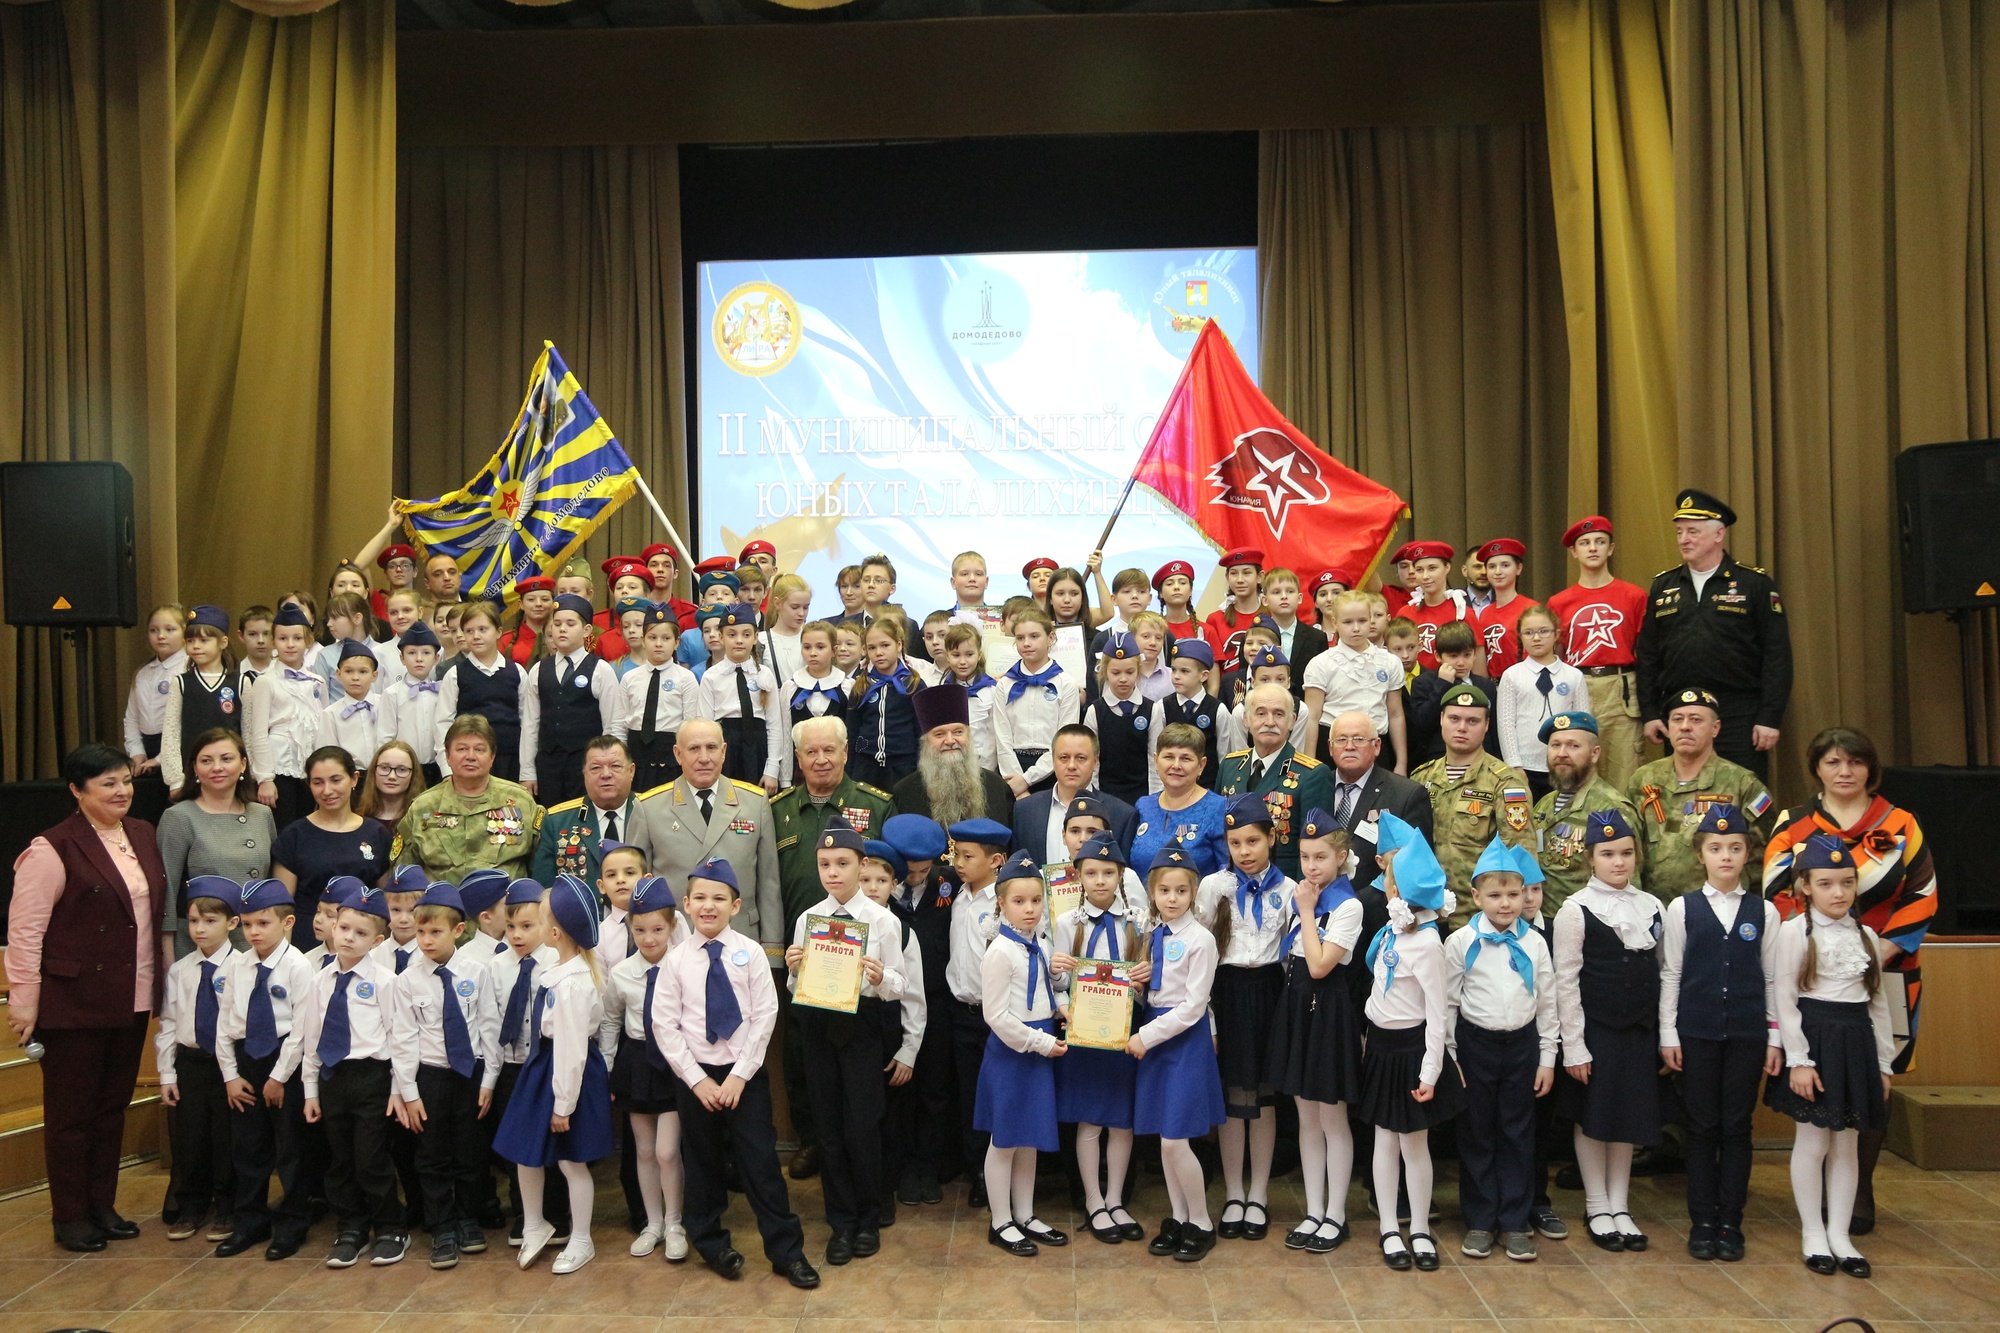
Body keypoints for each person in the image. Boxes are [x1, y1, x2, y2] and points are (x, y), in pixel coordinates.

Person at [1763, 726, 1936, 1234]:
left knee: (1875, 1080)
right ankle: (1819, 1195)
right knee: (1821, 1076)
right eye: (1833, 762)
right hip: (1811, 975)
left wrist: (1874, 953)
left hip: (1886, 968)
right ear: (1816, 768)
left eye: (1855, 762)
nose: (1845, 772)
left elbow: (1924, 892)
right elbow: (1775, 891)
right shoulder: (1793, 823)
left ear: (1870, 768)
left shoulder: (1901, 822)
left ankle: (1860, 1189)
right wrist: (1818, 946)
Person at [650, 856, 820, 1290]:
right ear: (687, 904)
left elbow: (765, 1015)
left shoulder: (751, 954)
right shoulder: (675, 961)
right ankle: (711, 1244)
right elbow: (664, 1025)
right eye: (701, 898)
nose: (709, 906)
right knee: (702, 1162)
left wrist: (741, 1075)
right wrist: (697, 1080)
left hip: (744, 1076)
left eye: (719, 898)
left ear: (736, 905)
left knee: (760, 1162)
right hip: (697, 1078)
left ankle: (787, 1252)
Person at [767, 714, 897, 1174]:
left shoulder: (876, 805)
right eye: (811, 752)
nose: (820, 759)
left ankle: (862, 1152)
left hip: (862, 961)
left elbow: (890, 876)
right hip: (803, 955)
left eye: (829, 750)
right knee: (803, 1055)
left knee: (859, 1068)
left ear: (845, 752)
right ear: (797, 758)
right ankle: (813, 1141)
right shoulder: (777, 809)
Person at [1764, 834, 1895, 1280]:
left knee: (1847, 1143)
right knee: (1814, 1141)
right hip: (1816, 1043)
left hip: (1856, 1045)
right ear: (1805, 886)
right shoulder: (1794, 933)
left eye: (1846, 882)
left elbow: (1878, 1005)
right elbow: (1785, 1000)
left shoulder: (1867, 936)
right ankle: (1813, 1233)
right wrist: (1799, 1060)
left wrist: (1883, 1063)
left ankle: (1841, 1234)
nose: (1838, 893)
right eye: (1825, 884)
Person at [1659, 805, 1783, 1264]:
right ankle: (1702, 1221)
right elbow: (1672, 973)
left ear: (1748, 854)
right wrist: (1669, 1033)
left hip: (1747, 1033)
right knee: (1701, 1126)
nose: (1725, 856)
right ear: (1701, 855)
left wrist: (1774, 1037)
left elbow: (1772, 978)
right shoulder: (1683, 908)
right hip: (1696, 1032)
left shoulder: (1764, 911)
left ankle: (1731, 1219)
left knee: (1736, 1125)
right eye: (1715, 848)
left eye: (1734, 848)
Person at [785, 814, 907, 1264]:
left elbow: (900, 985)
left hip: (862, 1027)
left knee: (862, 1126)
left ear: (862, 865)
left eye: (842, 863)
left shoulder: (882, 921)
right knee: (829, 1128)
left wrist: (879, 976)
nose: (833, 872)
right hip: (818, 1025)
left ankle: (868, 1218)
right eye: (825, 864)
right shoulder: (809, 919)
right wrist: (794, 971)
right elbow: (796, 989)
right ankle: (840, 1222)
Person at [1356, 814, 1465, 1272]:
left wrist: (1430, 1071)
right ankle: (1388, 1225)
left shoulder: (1428, 944)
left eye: (1390, 880)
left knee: (1413, 1144)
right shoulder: (1391, 930)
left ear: (1401, 888)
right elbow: (1379, 991)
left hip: (1412, 1053)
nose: (1385, 885)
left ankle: (1419, 1227)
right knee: (1383, 1140)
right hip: (1381, 1048)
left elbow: (1438, 1014)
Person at [1553, 809, 1663, 1254]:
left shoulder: (1652, 906)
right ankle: (1596, 1204)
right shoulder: (1576, 910)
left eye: (1626, 853)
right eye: (1608, 854)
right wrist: (1574, 1047)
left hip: (1638, 1030)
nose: (1618, 862)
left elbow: (1663, 970)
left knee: (1628, 1119)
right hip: (1596, 1031)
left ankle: (1620, 1204)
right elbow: (1565, 981)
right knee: (1594, 1117)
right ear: (1591, 858)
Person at [1444, 841, 1558, 1264]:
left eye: (1513, 893)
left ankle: (1514, 1221)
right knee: (1477, 1132)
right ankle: (1479, 1220)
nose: (1506, 903)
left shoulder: (1536, 943)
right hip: (1476, 1045)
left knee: (1517, 1133)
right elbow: (1448, 1003)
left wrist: (1547, 1058)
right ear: (1476, 896)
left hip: (1522, 1046)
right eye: (1495, 894)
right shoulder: (1460, 942)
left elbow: (1548, 1003)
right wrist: (1451, 1056)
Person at [494, 874, 612, 1275]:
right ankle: (534, 1224)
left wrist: (564, 1104)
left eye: (541, 920)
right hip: (542, 1065)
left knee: (571, 1160)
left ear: (556, 932)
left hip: (564, 1073)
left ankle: (581, 1239)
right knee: (525, 1152)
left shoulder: (574, 983)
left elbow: (572, 1049)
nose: (538, 927)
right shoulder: (559, 972)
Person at [1635, 488, 1794, 780]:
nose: (1684, 539)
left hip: (1738, 713)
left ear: (1719, 534)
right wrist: (1650, 713)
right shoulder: (1664, 586)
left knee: (1742, 793)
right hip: (1681, 710)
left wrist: (1769, 717)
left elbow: (1777, 656)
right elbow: (1648, 655)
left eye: (1693, 531)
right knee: (1683, 795)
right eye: (1680, 532)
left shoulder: (1754, 584)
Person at [388, 882, 502, 1271]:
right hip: (430, 1078)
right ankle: (442, 1227)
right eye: (421, 932)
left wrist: (489, 1081)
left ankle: (468, 1219)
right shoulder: (408, 980)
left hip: (469, 1074)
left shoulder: (476, 972)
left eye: (435, 932)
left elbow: (488, 1027)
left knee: (470, 1152)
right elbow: (403, 1039)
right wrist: (409, 1091)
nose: (426, 940)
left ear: (458, 930)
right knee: (431, 1155)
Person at [1196, 792, 1293, 1244]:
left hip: (1270, 992)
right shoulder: (1214, 887)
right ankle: (1234, 1191)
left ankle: (1259, 1193)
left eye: (1253, 841)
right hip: (1228, 992)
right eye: (1235, 843)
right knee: (1234, 1097)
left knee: (1265, 1098)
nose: (1244, 851)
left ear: (1271, 838)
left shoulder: (1290, 890)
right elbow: (1200, 952)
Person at [1269, 809, 1364, 1254]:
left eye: (1320, 857)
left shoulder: (1347, 904)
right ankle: (1313, 1209)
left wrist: (1306, 911)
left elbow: (1322, 964)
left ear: (1340, 857)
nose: (1311, 866)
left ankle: (1336, 1214)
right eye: (1305, 857)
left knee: (1331, 1117)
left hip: (1329, 1012)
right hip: (1297, 1007)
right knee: (1305, 1116)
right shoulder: (1304, 895)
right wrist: (1303, 906)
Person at [296, 884, 405, 1269]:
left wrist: (397, 1089)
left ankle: (390, 1227)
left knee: (371, 1158)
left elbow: (396, 1037)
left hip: (371, 1078)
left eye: (360, 933)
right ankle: (351, 1227)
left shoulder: (385, 981)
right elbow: (312, 1038)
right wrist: (310, 1092)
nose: (348, 937)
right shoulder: (319, 980)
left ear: (377, 941)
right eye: (343, 928)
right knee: (340, 1159)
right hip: (333, 1078)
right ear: (332, 927)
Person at [1130, 845, 1227, 1263]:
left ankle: (1201, 1221)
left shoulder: (1200, 939)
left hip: (1183, 1041)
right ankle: (1179, 1216)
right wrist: (1136, 986)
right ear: (1153, 893)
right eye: (1165, 891)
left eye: (1181, 891)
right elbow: (1156, 993)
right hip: (1157, 1035)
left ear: (1193, 893)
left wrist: (1146, 1036)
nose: (1172, 898)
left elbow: (1192, 1006)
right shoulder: (1154, 934)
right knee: (1163, 1137)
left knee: (1175, 1139)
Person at [970, 851, 1069, 1258]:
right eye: (1019, 901)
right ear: (1002, 903)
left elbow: (1047, 990)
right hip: (1013, 1053)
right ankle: (1000, 1221)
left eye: (1035, 900)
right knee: (1005, 1139)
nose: (1029, 909)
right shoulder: (1000, 952)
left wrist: (1062, 1005)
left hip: (1040, 1047)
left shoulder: (1040, 943)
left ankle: (1025, 1214)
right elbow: (996, 1016)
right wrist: (1041, 1042)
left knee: (1029, 1137)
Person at [1047, 834, 1144, 1245]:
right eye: (1091, 873)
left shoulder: (1138, 920)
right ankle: (1093, 1200)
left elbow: (1148, 979)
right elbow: (1057, 983)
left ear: (1120, 875)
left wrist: (1143, 982)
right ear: (1079, 877)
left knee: (1121, 1120)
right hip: (1084, 1034)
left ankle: (1116, 1199)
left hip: (1124, 1032)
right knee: (1088, 1119)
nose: (1100, 880)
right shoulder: (1067, 923)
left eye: (1108, 872)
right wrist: (1058, 980)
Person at [213, 877, 315, 1260]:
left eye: (263, 923)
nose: (254, 931)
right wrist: (230, 1075)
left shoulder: (298, 966)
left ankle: (292, 1225)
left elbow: (302, 1029)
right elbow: (225, 1024)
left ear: (287, 923)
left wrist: (278, 1077)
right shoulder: (237, 965)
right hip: (246, 1062)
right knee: (248, 1147)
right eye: (247, 923)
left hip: (284, 1061)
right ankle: (250, 1222)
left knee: (290, 1149)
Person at [600, 873, 689, 1262]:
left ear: (672, 927)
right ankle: (652, 1223)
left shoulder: (684, 966)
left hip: (672, 1061)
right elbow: (610, 1021)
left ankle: (675, 1222)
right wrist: (606, 1069)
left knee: (668, 1151)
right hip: (636, 1062)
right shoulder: (622, 973)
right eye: (639, 930)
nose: (649, 938)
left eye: (657, 930)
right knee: (645, 1150)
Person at [634, 718, 784, 950]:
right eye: (694, 748)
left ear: (723, 752)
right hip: (675, 943)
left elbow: (769, 883)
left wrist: (772, 951)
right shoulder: (649, 808)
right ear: (677, 754)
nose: (704, 758)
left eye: (711, 747)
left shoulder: (755, 802)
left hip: (741, 941)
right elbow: (639, 888)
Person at [1629, 687, 1775, 901]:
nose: (1685, 726)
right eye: (1677, 719)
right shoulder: (1643, 780)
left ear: (1715, 728)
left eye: (1696, 720)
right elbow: (1628, 845)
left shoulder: (1742, 783)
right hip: (1652, 907)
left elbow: (1766, 854)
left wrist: (1749, 905)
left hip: (1718, 907)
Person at [156, 878, 239, 1243]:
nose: (199, 929)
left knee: (226, 1138)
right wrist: (166, 1073)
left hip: (226, 1065)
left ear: (232, 923)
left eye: (209, 921)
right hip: (190, 1063)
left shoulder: (241, 967)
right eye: (193, 921)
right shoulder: (181, 970)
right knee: (190, 1139)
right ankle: (191, 1206)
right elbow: (169, 1023)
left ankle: (227, 1206)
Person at [1410, 684, 1533, 918]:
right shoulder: (1421, 778)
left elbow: (1519, 855)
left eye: (1473, 721)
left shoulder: (1505, 782)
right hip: (1425, 913)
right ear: (1441, 720)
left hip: (1478, 916)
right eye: (1454, 719)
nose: (1462, 728)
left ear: (1486, 725)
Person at [1547, 515, 1649, 787]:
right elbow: (1554, 655)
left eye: (1600, 542)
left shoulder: (1634, 596)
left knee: (1625, 773)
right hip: (1578, 685)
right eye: (1585, 543)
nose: (1592, 548)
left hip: (1621, 689)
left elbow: (1647, 653)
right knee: (1576, 770)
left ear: (1611, 548)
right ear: (1574, 551)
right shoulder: (1559, 602)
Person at [158, 729, 278, 956]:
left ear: (243, 764)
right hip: (201, 945)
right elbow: (167, 893)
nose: (217, 767)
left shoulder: (262, 814)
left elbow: (271, 883)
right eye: (206, 761)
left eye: (226, 759)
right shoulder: (179, 817)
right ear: (194, 768)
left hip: (255, 941)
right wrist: (167, 957)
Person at [271, 747, 393, 950]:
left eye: (336, 780)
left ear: (354, 779)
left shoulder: (376, 833)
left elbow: (386, 901)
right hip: (308, 940)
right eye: (318, 782)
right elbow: (283, 907)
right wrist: (285, 957)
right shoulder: (294, 835)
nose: (327, 790)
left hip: (361, 941)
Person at [393, 715, 541, 884]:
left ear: (492, 757)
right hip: (442, 898)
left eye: (479, 750)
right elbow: (402, 874)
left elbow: (541, 865)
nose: (470, 756)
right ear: (447, 756)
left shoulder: (521, 801)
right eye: (462, 749)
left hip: (505, 898)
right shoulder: (423, 806)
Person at [1215, 683, 1334, 879]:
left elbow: (1315, 848)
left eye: (1279, 714)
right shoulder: (1230, 765)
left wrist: (1301, 893)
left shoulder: (1313, 775)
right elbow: (1220, 834)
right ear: (1246, 719)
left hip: (1283, 884)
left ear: (1292, 721)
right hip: (1233, 881)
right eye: (1261, 713)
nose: (1270, 722)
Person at [1529, 712, 1640, 914]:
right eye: (1555, 745)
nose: (1562, 753)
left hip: (1590, 923)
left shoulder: (1611, 809)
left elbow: (1629, 885)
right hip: (1542, 921)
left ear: (1595, 753)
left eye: (1573, 746)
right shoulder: (1544, 804)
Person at [521, 592, 622, 805]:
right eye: (557, 624)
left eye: (570, 624)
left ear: (586, 630)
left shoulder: (600, 670)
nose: (562, 629)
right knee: (550, 817)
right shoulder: (538, 670)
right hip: (548, 764)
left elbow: (613, 724)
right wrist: (527, 772)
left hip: (587, 764)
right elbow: (530, 724)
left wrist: (610, 767)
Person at [1303, 589, 1408, 771]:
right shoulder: (1321, 663)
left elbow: (1396, 714)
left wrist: (1401, 763)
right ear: (1335, 623)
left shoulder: (1389, 661)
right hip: (1332, 746)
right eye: (1348, 622)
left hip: (1377, 745)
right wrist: (1309, 764)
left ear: (1370, 620)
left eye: (1362, 620)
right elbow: (1311, 717)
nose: (1356, 628)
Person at [244, 602, 329, 829]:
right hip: (280, 766)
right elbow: (258, 733)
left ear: (308, 641)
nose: (290, 644)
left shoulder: (317, 681)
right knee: (284, 827)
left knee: (310, 826)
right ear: (273, 641)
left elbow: (324, 726)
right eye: (282, 638)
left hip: (310, 766)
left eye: (297, 638)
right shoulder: (265, 681)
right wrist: (265, 778)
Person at [891, 681, 1017, 829]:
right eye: (939, 734)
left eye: (958, 732)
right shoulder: (904, 792)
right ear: (925, 742)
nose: (950, 741)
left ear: (969, 736)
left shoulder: (997, 788)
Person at [1009, 723, 1138, 864]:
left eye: (1080, 758)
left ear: (1096, 762)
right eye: (1064, 757)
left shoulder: (1121, 815)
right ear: (1053, 760)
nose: (1071, 766)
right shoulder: (1024, 811)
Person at [531, 735, 652, 883]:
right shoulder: (557, 822)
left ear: (631, 771)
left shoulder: (652, 813)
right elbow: (544, 887)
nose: (606, 774)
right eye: (596, 768)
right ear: (584, 774)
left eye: (615, 766)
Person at [611, 604, 706, 789]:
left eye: (666, 638)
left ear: (676, 642)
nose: (658, 644)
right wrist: (619, 758)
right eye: (652, 637)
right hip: (636, 754)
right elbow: (619, 723)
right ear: (643, 640)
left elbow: (691, 723)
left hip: (671, 756)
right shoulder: (630, 678)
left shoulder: (685, 678)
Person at [434, 600, 527, 782]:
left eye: (483, 629)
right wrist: (447, 768)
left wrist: (527, 770)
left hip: (510, 760)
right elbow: (443, 723)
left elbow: (527, 721)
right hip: (469, 762)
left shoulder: (517, 672)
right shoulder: (455, 675)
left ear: (498, 631)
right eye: (469, 631)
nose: (476, 636)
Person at [1495, 606, 1583, 800]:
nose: (1536, 638)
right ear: (1520, 637)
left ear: (1556, 634)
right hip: (1525, 766)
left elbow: (1583, 724)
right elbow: (1506, 723)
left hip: (1564, 764)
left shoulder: (1574, 676)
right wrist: (1514, 764)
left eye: (1543, 631)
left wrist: (1579, 762)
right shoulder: (1511, 675)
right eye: (1528, 633)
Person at [158, 604, 245, 800]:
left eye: (204, 640)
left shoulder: (240, 682)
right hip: (191, 775)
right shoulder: (181, 683)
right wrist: (175, 780)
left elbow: (249, 733)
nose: (196, 646)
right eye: (190, 641)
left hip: (231, 775)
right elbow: (171, 733)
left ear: (223, 642)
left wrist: (253, 775)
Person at [994, 607, 1081, 796]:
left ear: (1051, 638)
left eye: (1034, 636)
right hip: (1012, 772)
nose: (1026, 643)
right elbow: (1002, 738)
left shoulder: (1066, 684)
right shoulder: (1004, 684)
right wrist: (1017, 783)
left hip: (1052, 769)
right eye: (1020, 638)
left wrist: (1027, 779)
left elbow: (1064, 739)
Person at [700, 602, 785, 791]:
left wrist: (772, 769)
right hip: (726, 749)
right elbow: (706, 726)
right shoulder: (711, 677)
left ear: (755, 638)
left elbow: (774, 725)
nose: (739, 640)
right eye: (732, 635)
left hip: (758, 748)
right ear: (721, 637)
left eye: (746, 635)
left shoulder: (764, 674)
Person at [1130, 723, 1229, 877]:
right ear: (1156, 760)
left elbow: (1228, 874)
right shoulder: (1143, 806)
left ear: (1201, 765)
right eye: (1169, 757)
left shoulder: (1219, 808)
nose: (1176, 765)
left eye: (1185, 758)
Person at [123, 603, 189, 825]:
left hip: (179, 750)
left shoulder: (188, 668)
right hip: (147, 751)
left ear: (184, 631)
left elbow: (187, 721)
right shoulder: (143, 672)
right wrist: (137, 753)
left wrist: (161, 759)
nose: (161, 636)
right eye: (154, 630)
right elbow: (132, 717)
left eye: (170, 629)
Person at [1395, 541, 1483, 673]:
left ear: (1447, 567)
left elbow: (1479, 670)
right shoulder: (1405, 613)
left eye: (1432, 568)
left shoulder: (1462, 613)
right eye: (1419, 570)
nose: (1425, 576)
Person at [378, 622, 445, 784]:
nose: (419, 659)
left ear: (436, 658)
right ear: (402, 658)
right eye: (412, 653)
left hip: (438, 767)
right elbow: (385, 737)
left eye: (426, 653)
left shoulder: (443, 691)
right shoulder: (392, 694)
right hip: (403, 769)